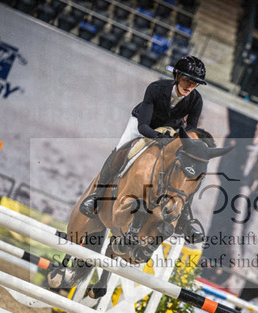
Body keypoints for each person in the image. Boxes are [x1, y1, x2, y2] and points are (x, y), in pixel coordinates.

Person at [79, 55, 208, 241]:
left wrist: (180, 144)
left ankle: (185, 218)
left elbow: (190, 131)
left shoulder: (196, 100)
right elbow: (143, 126)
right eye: (187, 80)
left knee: (188, 170)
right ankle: (96, 197)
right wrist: (158, 137)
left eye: (195, 83)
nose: (190, 86)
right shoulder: (156, 89)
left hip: (170, 131)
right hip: (143, 124)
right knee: (121, 151)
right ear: (177, 76)